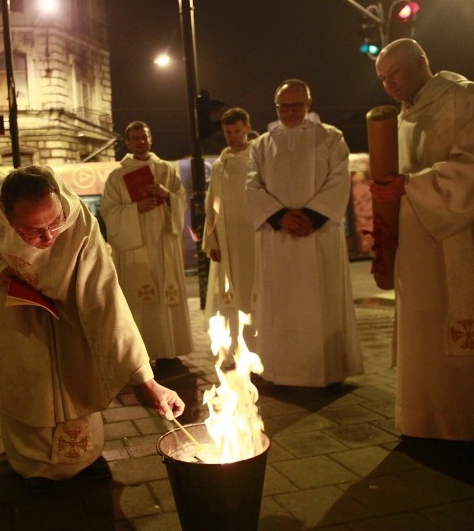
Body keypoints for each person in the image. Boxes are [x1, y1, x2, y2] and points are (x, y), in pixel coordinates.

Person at [0, 165, 184, 494]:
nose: (47, 238)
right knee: (25, 376)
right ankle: (30, 463)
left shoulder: (80, 226)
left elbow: (105, 302)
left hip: (70, 305)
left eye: (54, 222)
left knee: (76, 371)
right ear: (6, 216)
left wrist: (148, 382)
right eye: (32, 231)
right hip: (7, 304)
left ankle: (84, 458)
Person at [371, 38, 474, 457]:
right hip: (418, 243)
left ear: (422, 62)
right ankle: (424, 418)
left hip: (464, 238)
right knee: (423, 330)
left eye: (396, 73)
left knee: (461, 327)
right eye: (382, 78)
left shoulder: (468, 97)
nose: (389, 84)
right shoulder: (404, 118)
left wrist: (412, 186)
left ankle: (471, 422)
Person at [245, 79, 362, 387]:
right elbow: (251, 185)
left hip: (319, 237)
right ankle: (279, 370)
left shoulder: (330, 137)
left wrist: (311, 215)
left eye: (297, 105)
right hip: (278, 239)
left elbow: (339, 180)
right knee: (280, 306)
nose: (291, 112)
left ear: (309, 105)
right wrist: (281, 217)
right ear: (276, 107)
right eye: (284, 106)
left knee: (320, 304)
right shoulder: (261, 144)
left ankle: (325, 371)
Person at [100, 121, 193, 367]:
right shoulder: (117, 175)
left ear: (151, 139)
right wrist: (135, 209)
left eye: (144, 137)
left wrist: (167, 195)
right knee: (140, 301)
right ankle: (141, 355)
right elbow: (108, 212)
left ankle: (169, 353)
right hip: (136, 247)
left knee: (166, 297)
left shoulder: (166, 170)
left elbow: (181, 201)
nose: (141, 142)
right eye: (135, 138)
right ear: (128, 142)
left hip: (163, 243)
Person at [203, 108, 260, 353]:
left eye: (237, 131)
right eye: (228, 132)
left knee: (255, 293)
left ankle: (260, 348)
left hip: (254, 238)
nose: (233, 136)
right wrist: (212, 241)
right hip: (227, 241)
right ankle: (236, 348)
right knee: (230, 296)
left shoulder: (258, 157)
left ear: (247, 128)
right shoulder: (219, 165)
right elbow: (212, 204)